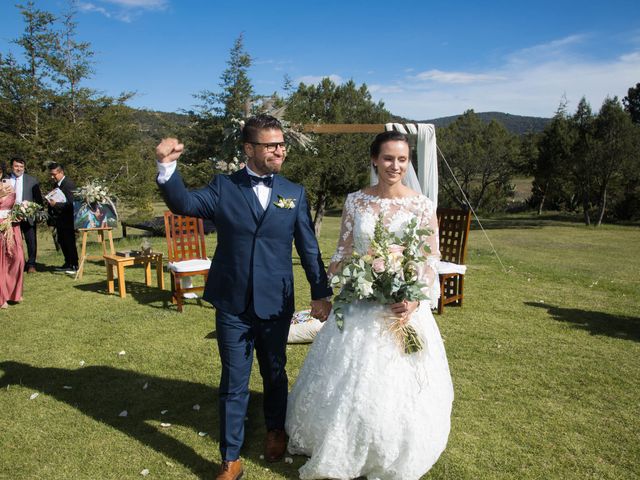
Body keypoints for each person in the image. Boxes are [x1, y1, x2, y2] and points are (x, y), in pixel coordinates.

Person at [155, 114, 333, 480]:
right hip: (231, 302)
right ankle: (230, 458)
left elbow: (309, 249)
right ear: (250, 149)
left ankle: (275, 429)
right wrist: (167, 167)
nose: (279, 150)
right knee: (234, 380)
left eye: (281, 144)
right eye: (271, 145)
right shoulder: (223, 187)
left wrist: (320, 293)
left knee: (274, 371)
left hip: (276, 301)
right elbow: (184, 204)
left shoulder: (293, 193)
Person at [285, 131, 454, 480]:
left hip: (401, 311)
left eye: (403, 159)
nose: (395, 166)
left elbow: (428, 257)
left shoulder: (421, 204)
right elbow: (345, 250)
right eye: (389, 158)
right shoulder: (356, 201)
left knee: (396, 386)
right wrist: (344, 280)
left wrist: (413, 298)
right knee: (348, 382)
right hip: (359, 306)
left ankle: (390, 448)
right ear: (375, 159)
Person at [9, 157, 43, 273]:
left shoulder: (32, 180)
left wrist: (37, 213)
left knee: (31, 241)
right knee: (13, 242)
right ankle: (17, 264)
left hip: (28, 216)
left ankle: (31, 264)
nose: (19, 169)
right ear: (11, 167)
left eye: (21, 166)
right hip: (10, 217)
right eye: (16, 166)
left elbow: (38, 200)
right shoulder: (5, 179)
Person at [46, 162, 78, 274]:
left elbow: (72, 204)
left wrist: (56, 204)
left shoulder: (68, 184)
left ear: (61, 172)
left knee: (69, 241)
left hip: (68, 219)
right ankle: (67, 263)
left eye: (54, 174)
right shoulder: (57, 185)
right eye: (51, 174)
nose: (52, 177)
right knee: (62, 241)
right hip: (60, 218)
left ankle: (74, 265)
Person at [0, 163, 25, 308]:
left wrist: (19, 214)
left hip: (11, 226)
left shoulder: (8, 185)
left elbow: (13, 205)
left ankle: (12, 292)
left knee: (18, 258)